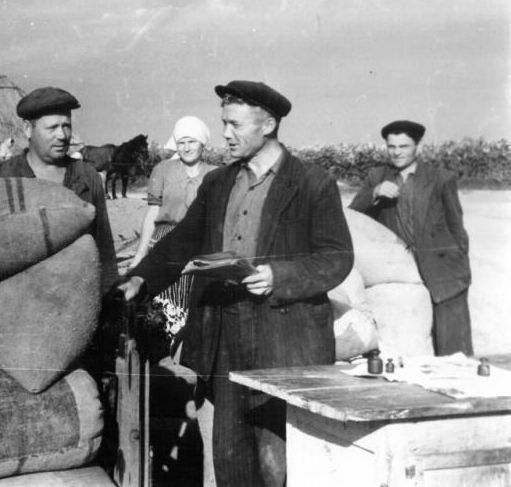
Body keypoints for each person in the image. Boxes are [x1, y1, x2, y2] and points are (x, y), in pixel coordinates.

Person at [119, 80, 353, 486]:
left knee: (277, 462)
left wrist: (279, 276)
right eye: (223, 123)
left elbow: (337, 257)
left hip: (284, 341)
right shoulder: (218, 183)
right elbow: (182, 240)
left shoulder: (312, 183)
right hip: (224, 336)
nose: (225, 134)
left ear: (269, 125)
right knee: (232, 460)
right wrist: (141, 278)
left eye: (236, 125)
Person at [349, 120, 472, 356]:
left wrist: (460, 268)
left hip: (443, 272)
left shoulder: (441, 178)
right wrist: (374, 193)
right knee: (407, 346)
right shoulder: (377, 176)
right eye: (392, 146)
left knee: (453, 348)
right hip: (402, 274)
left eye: (403, 146)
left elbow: (457, 228)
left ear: (417, 146)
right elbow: (354, 216)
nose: (397, 152)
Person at [0, 86, 118, 293]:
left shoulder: (87, 176)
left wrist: (111, 291)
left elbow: (104, 245)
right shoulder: (0, 179)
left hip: (78, 293)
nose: (62, 135)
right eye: (52, 127)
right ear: (28, 129)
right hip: (19, 296)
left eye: (66, 126)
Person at [128, 116, 217, 345]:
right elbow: (152, 213)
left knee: (194, 302)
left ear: (203, 143)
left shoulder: (216, 174)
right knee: (162, 306)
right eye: (181, 142)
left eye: (192, 141)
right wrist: (140, 255)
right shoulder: (163, 170)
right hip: (165, 242)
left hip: (199, 244)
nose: (186, 148)